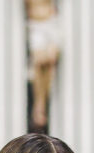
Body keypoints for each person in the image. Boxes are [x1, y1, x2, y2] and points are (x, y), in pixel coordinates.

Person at [26, 0, 61, 132]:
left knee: (50, 61)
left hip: (51, 23)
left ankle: (41, 106)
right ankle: (39, 106)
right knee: (40, 62)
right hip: (37, 25)